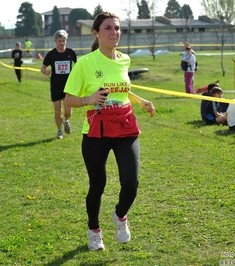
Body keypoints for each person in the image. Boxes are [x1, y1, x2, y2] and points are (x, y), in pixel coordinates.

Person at [63, 11, 155, 251]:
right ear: (96, 33)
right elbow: (68, 100)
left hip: (125, 126)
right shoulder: (85, 63)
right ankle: (94, 230)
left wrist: (140, 100)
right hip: (97, 131)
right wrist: (89, 99)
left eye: (117, 28)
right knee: (98, 185)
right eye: (108, 28)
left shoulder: (124, 59)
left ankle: (120, 216)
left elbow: (121, 89)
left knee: (131, 183)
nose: (114, 32)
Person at [41, 30, 77, 139]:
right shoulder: (51, 54)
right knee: (57, 112)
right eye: (60, 41)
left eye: (64, 40)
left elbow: (78, 65)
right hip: (56, 86)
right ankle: (59, 131)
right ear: (55, 41)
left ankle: (66, 121)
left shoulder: (70, 52)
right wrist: (46, 72)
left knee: (68, 111)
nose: (62, 43)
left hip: (68, 86)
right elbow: (42, 68)